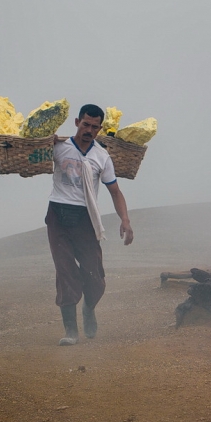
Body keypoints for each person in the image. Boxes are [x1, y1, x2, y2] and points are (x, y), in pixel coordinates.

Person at [45, 104, 134, 346]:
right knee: (65, 271)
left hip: (86, 217)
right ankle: (71, 331)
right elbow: (32, 159)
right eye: (85, 124)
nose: (89, 130)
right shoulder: (59, 147)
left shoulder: (101, 156)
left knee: (94, 274)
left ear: (100, 129)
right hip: (58, 214)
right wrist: (42, 143)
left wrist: (125, 219)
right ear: (76, 122)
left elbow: (115, 191)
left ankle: (89, 308)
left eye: (95, 127)